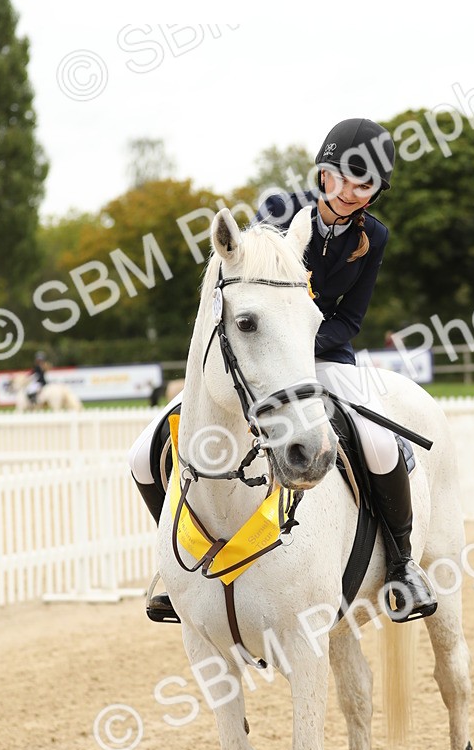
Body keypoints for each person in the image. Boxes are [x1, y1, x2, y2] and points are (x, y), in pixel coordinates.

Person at [128, 118, 437, 625]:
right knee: (144, 455)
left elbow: (351, 318)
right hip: (256, 361)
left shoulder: (374, 237)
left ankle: (402, 565)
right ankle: (176, 567)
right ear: (323, 172)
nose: (353, 193)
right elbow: (240, 284)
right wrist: (274, 347)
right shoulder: (276, 213)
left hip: (325, 354)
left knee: (380, 445)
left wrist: (300, 346)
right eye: (344, 178)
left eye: (367, 186)